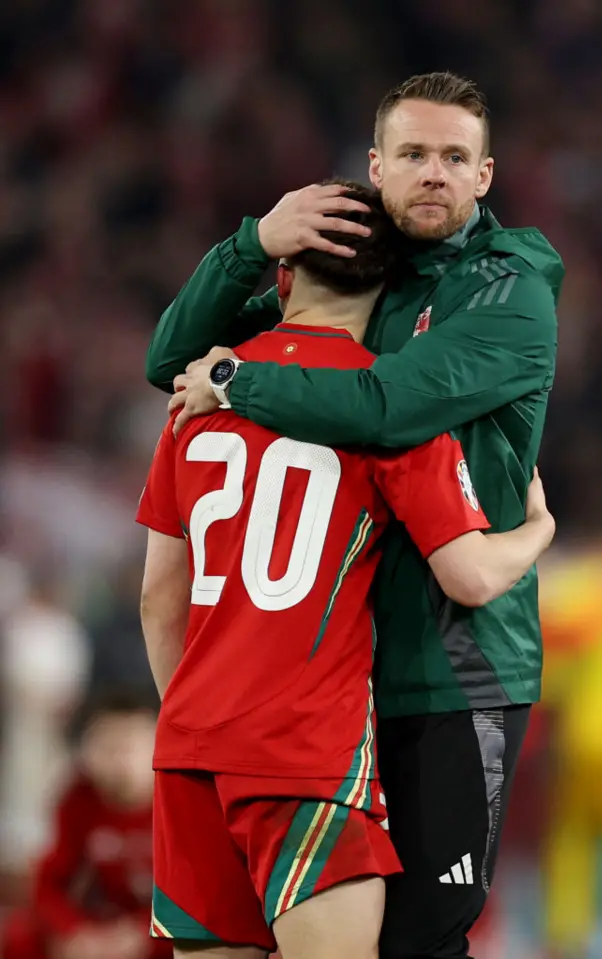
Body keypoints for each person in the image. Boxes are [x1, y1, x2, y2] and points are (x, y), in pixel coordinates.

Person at [144, 73, 564, 959]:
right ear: (378, 168)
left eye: (456, 157)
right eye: (413, 154)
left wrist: (233, 382)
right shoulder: (366, 285)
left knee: (423, 940)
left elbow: (381, 405)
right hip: (339, 691)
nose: (435, 174)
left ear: (486, 176)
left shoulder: (509, 292)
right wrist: (251, 241)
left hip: (457, 667)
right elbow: (168, 358)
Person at [2, 689, 170, 959]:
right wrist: (73, 932)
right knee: (20, 935)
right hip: (93, 924)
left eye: (130, 746)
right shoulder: (78, 797)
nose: (120, 762)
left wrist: (139, 934)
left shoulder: (178, 802)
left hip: (152, 928)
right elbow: (50, 882)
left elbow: (196, 892)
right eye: (107, 747)